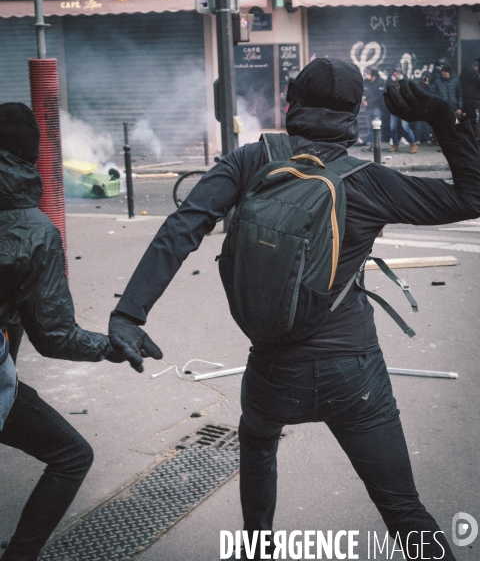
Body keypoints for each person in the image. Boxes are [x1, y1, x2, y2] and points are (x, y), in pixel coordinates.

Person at [108, 58, 480, 561]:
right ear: (355, 115)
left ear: (290, 102)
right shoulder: (369, 181)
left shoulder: (250, 159)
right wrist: (440, 114)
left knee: (258, 446)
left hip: (272, 369)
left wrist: (129, 314)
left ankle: (258, 548)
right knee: (403, 510)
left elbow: (183, 226)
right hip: (355, 374)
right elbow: (471, 195)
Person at [0, 102, 137, 561]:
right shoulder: (31, 229)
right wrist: (112, 348)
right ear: (30, 158)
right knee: (72, 456)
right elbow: (56, 336)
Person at [386, 66, 418, 153]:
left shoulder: (406, 81)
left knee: (405, 127)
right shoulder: (390, 81)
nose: (396, 75)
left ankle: (413, 144)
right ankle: (395, 144)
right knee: (393, 127)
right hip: (394, 108)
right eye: (395, 73)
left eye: (398, 73)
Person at [361, 67, 385, 151]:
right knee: (369, 127)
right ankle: (369, 144)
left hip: (376, 108)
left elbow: (379, 96)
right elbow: (362, 92)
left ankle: (377, 145)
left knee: (377, 127)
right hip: (368, 108)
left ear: (373, 75)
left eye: (369, 73)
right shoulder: (366, 82)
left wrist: (369, 102)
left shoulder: (380, 82)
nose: (367, 75)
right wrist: (364, 100)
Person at [459, 57, 480, 133]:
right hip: (472, 98)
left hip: (463, 98)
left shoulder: (463, 72)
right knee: (472, 118)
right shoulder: (474, 73)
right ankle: (472, 135)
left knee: (463, 117)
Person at [412, 71, 433, 144]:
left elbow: (432, 93)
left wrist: (428, 85)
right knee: (419, 123)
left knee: (426, 124)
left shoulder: (430, 85)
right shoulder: (418, 84)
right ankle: (417, 138)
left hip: (427, 106)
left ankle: (426, 138)